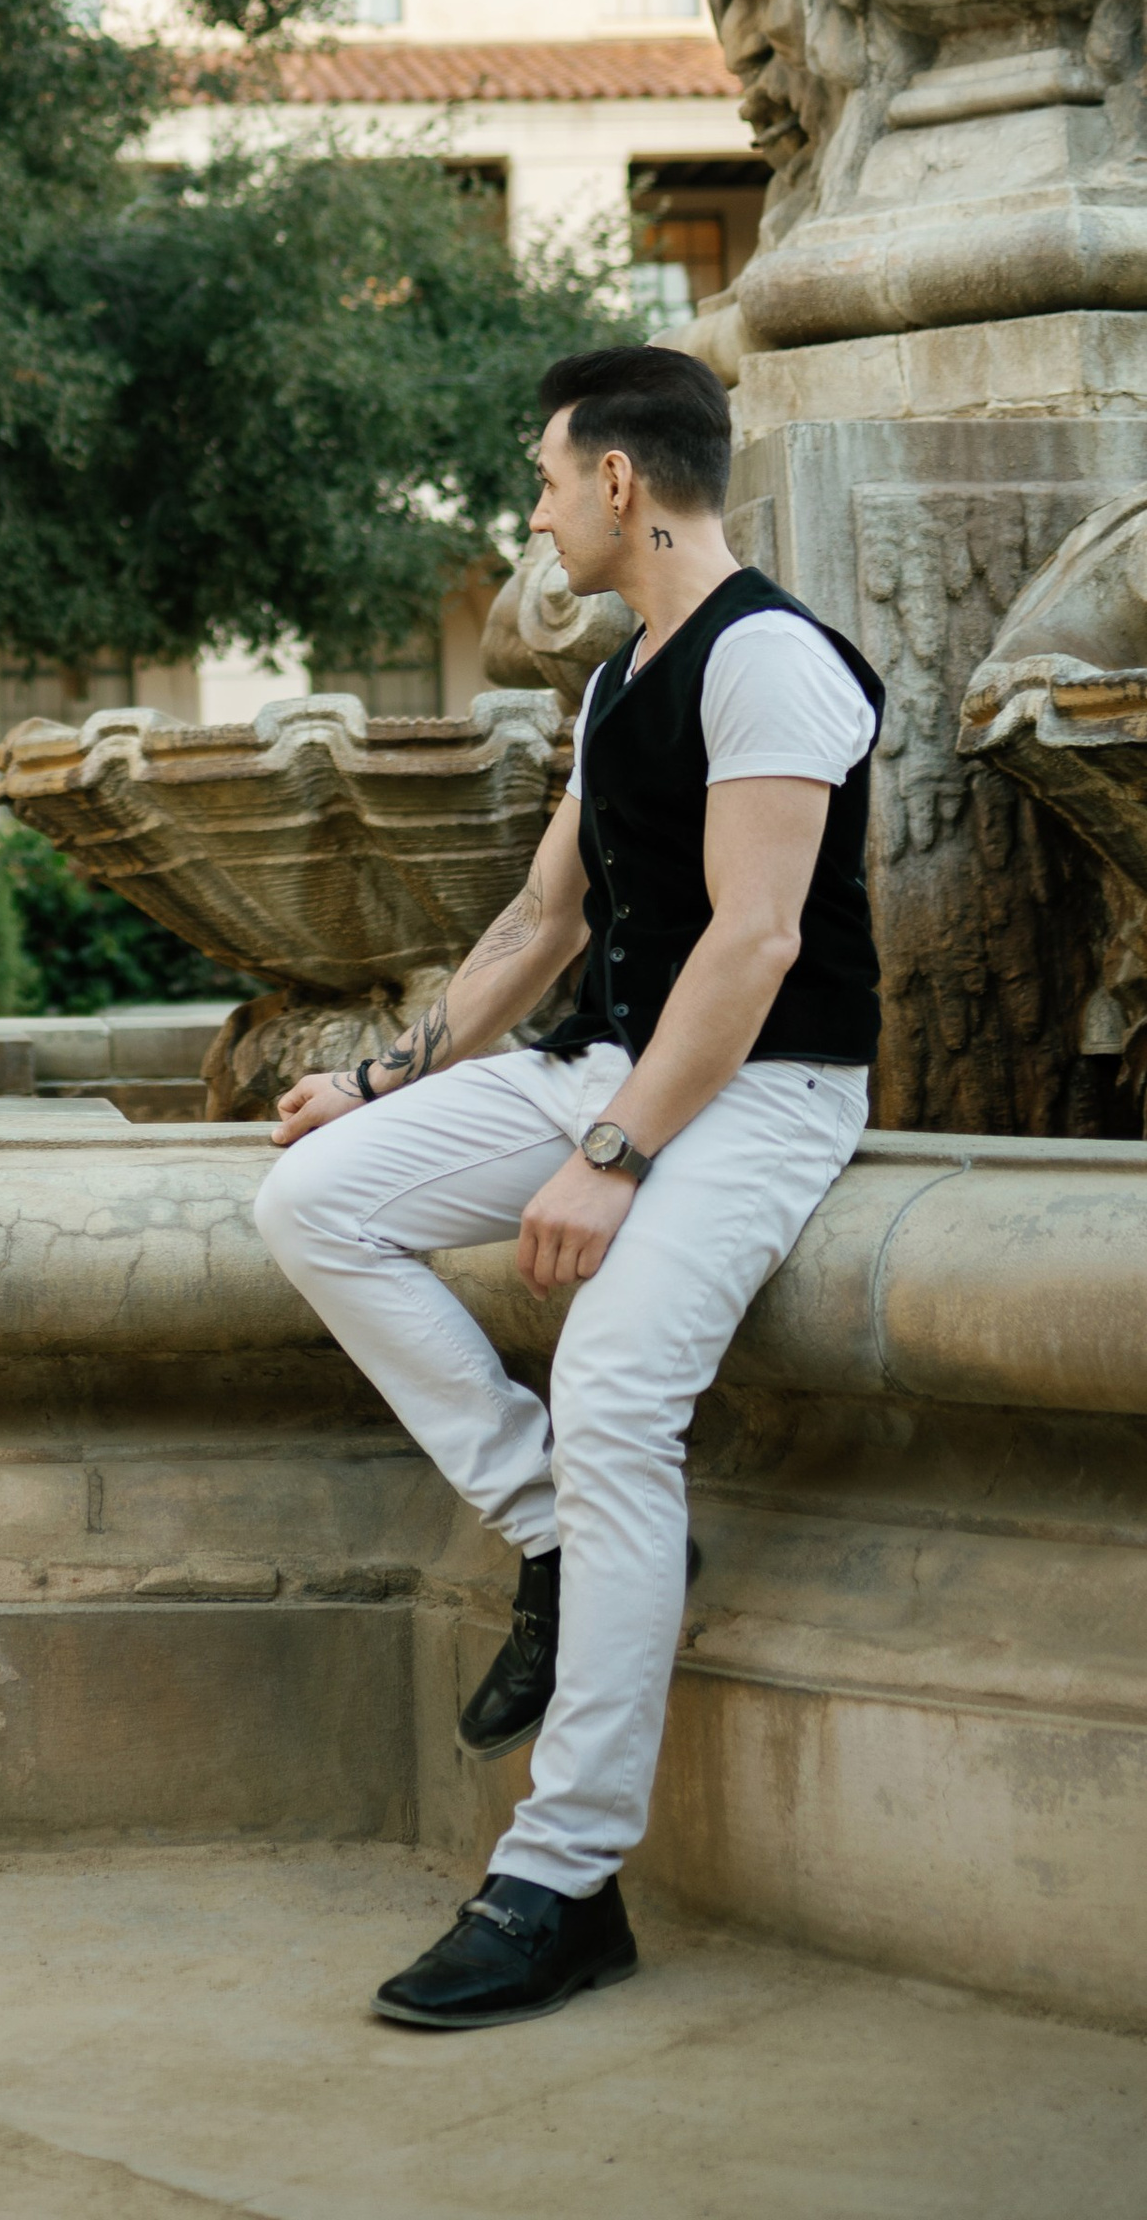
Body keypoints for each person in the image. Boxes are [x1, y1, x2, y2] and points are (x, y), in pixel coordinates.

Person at [254, 345, 881, 2029]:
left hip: (762, 1090)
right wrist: (384, 1076)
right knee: (315, 1201)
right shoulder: (620, 683)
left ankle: (563, 1877)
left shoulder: (775, 660)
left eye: (544, 476)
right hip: (606, 1066)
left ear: (621, 480)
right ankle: (555, 1534)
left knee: (610, 1377)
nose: (531, 509)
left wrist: (613, 1160)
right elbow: (543, 926)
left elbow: (754, 943)